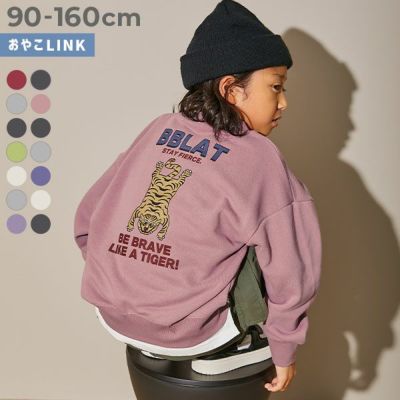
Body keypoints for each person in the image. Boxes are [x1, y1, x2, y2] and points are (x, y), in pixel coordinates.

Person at [73, 0, 322, 393]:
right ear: (230, 89)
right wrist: (284, 348)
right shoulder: (260, 157)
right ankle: (237, 345)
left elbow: (88, 217)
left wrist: (127, 276)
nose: (284, 101)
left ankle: (157, 324)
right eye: (276, 86)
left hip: (113, 315)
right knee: (281, 231)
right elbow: (294, 270)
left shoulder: (159, 129)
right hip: (197, 333)